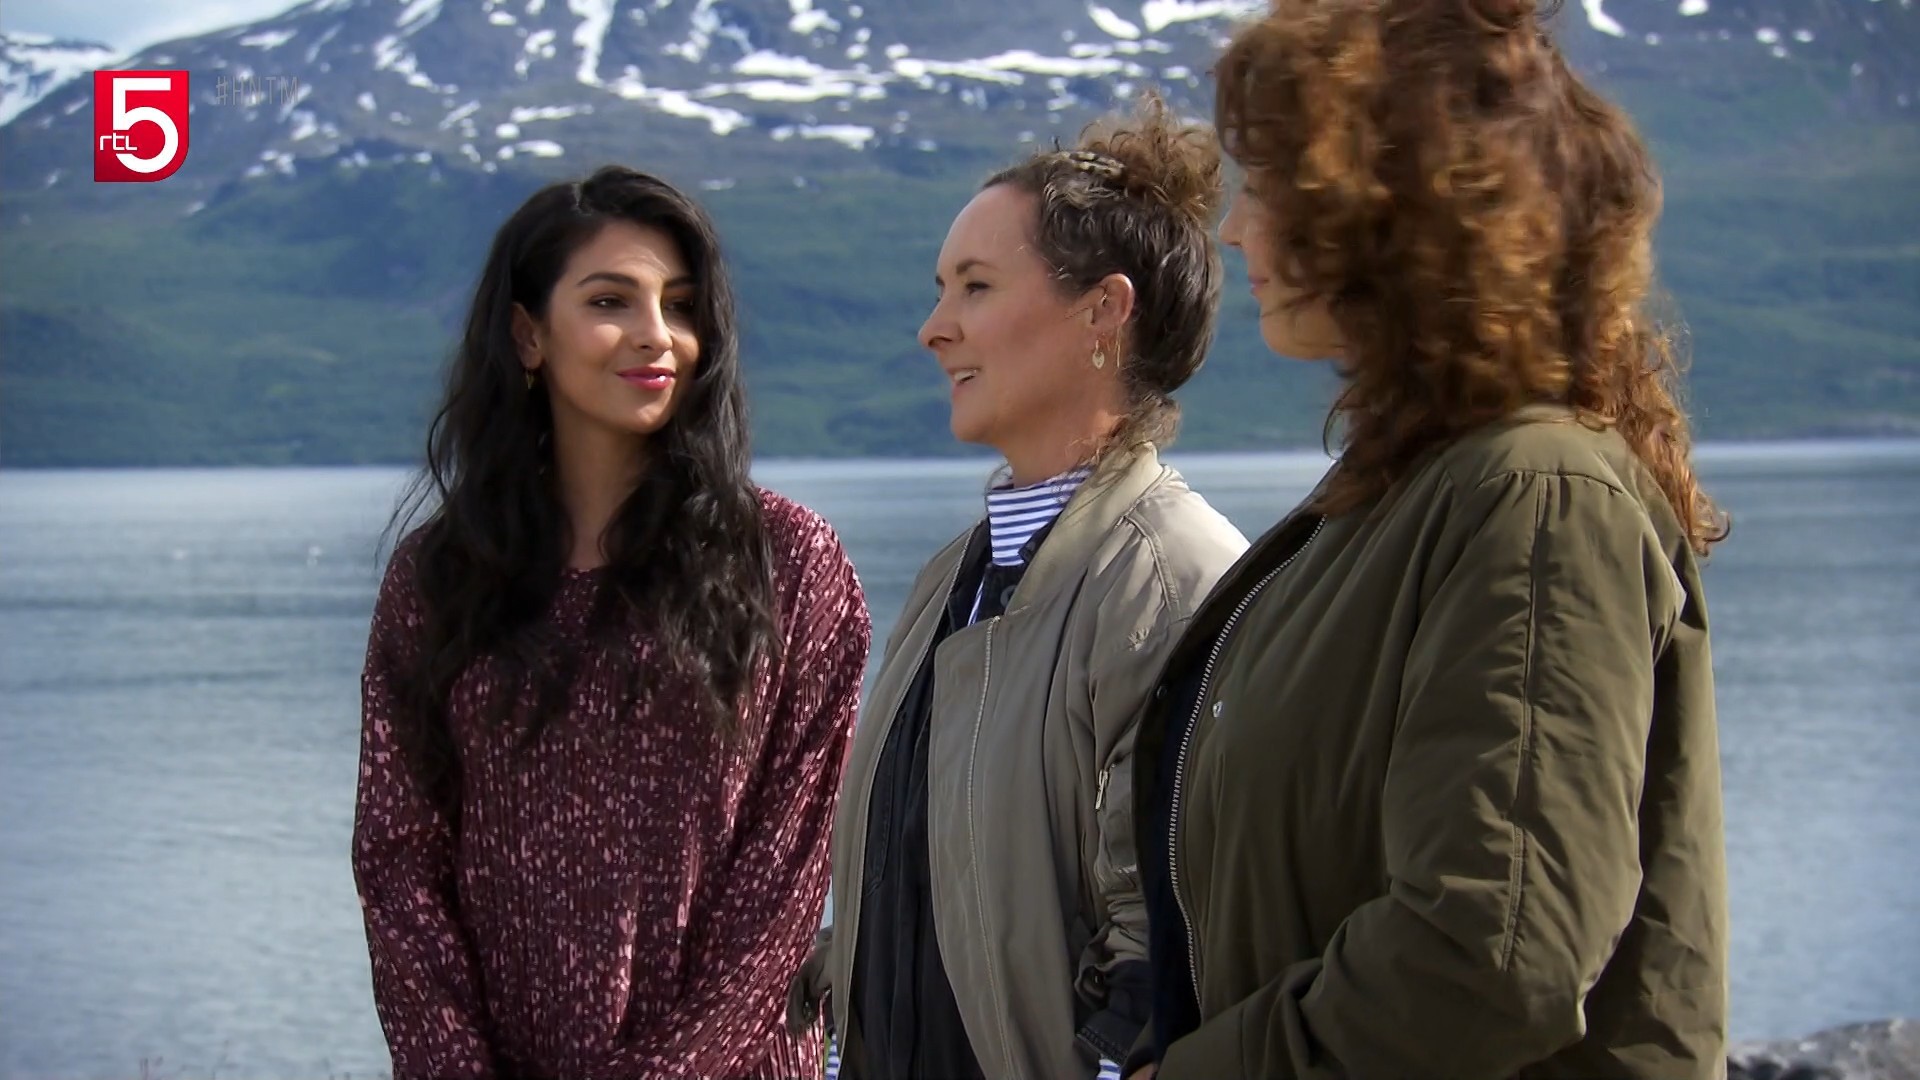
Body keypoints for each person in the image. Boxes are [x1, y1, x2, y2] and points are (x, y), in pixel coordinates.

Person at [1125, 1, 1731, 1077]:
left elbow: (1493, 959)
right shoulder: (1402, 496)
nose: (1234, 228)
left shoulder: (1535, 497)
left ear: (1391, 201)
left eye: (1268, 184)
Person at [352, 165, 871, 1080]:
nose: (657, 334)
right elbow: (400, 870)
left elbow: (786, 891)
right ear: (527, 334)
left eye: (681, 305)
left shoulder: (790, 564)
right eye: (609, 301)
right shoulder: (437, 581)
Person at [788, 94, 1250, 1080]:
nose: (933, 329)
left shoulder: (1171, 578)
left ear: (1104, 311)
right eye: (941, 290)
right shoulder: (951, 580)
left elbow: (1168, 956)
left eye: (976, 287)